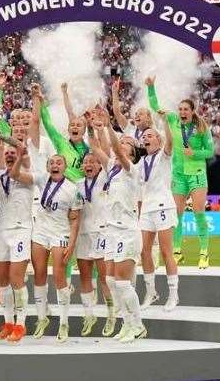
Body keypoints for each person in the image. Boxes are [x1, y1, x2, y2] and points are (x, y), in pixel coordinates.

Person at [87, 109, 147, 343]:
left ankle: (138, 325)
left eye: (126, 142)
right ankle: (126, 324)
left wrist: (109, 126)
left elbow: (117, 150)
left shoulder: (132, 169)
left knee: (122, 282)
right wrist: (93, 125)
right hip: (111, 230)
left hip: (126, 231)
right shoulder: (112, 166)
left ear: (133, 153)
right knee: (111, 281)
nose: (121, 144)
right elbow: (93, 147)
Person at [146, 77, 215, 268]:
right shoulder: (173, 120)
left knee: (199, 213)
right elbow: (155, 106)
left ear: (192, 111)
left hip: (197, 173)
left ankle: (204, 253)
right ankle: (177, 252)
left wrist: (195, 153)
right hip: (178, 174)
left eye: (186, 109)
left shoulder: (202, 127)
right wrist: (151, 87)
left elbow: (210, 151)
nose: (182, 112)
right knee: (177, 214)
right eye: (181, 109)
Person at [0, 143, 35, 343]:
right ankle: (8, 323)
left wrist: (19, 156)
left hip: (21, 230)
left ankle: (21, 324)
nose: (10, 155)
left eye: (14, 153)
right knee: (1, 280)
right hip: (2, 230)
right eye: (7, 153)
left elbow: (16, 175)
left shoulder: (29, 172)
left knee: (16, 279)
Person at [30, 154, 83, 343]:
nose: (55, 165)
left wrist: (72, 243)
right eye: (51, 162)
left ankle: (64, 322)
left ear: (65, 166)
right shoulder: (41, 179)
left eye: (59, 162)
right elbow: (22, 176)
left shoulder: (72, 189)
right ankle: (41, 318)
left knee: (59, 277)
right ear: (47, 166)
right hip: (40, 232)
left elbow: (75, 220)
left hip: (61, 233)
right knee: (39, 275)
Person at [138, 115, 179, 312]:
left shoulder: (164, 154)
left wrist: (164, 123)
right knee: (144, 251)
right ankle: (151, 292)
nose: (146, 138)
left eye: (150, 135)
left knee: (165, 251)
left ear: (158, 140)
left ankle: (173, 295)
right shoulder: (141, 162)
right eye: (144, 136)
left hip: (163, 206)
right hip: (146, 208)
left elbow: (170, 141)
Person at [75, 150, 115, 337]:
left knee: (104, 277)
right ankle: (89, 315)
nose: (89, 164)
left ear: (100, 165)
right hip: (83, 233)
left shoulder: (105, 180)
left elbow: (108, 159)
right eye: (86, 162)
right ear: (82, 166)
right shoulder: (77, 185)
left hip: (101, 231)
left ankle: (111, 314)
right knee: (84, 276)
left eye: (93, 161)